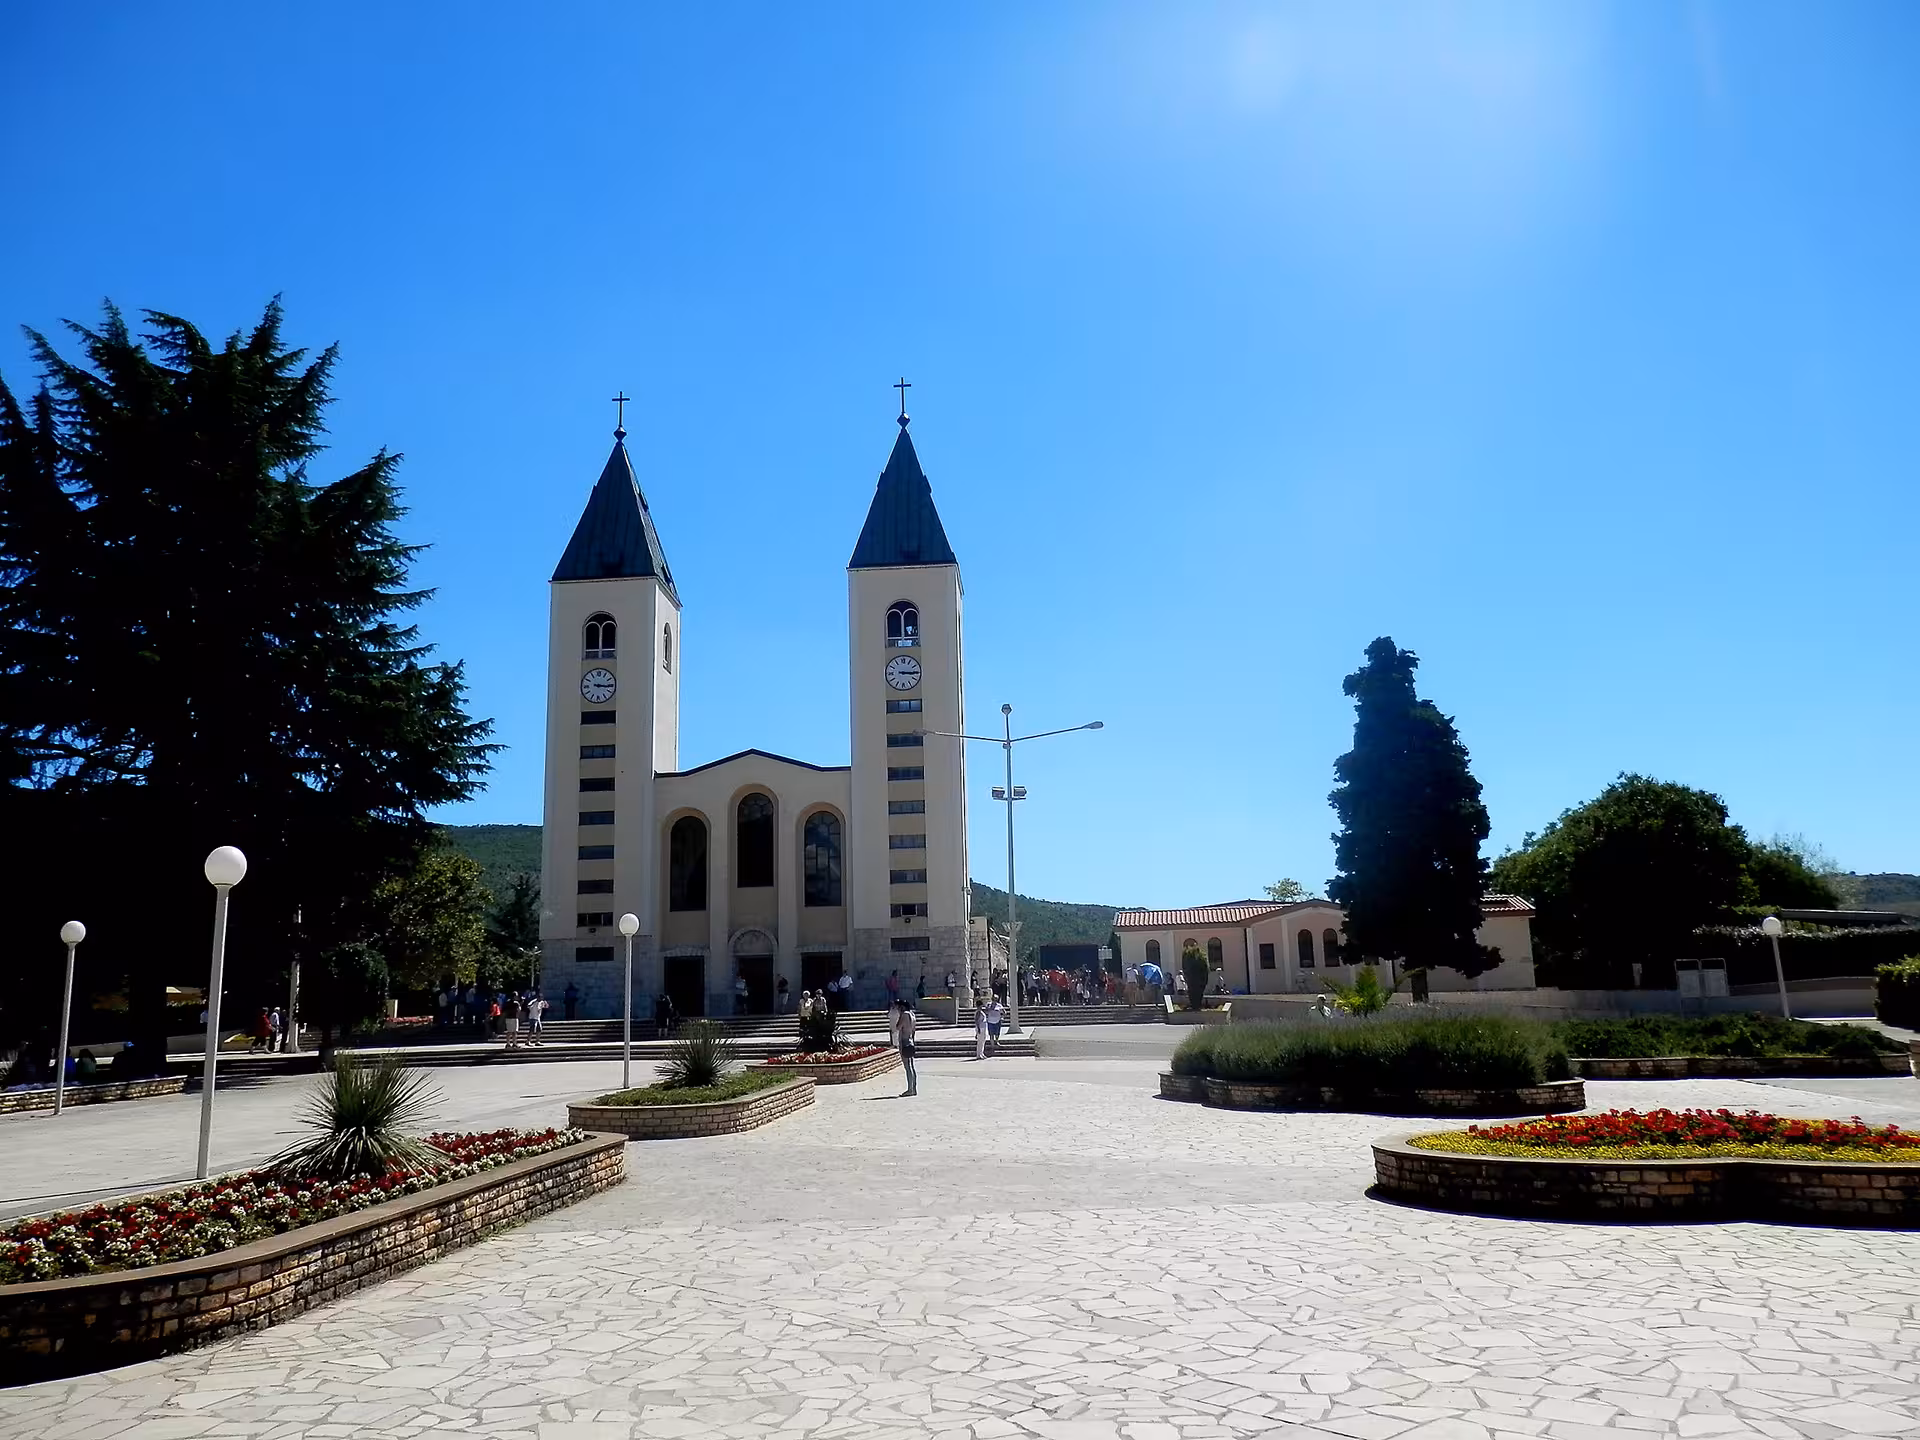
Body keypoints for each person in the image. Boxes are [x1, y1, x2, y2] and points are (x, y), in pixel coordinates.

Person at [894, 998, 918, 1096]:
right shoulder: (912, 1015)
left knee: (908, 1067)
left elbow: (897, 1027)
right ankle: (914, 1088)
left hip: (905, 1041)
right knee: (912, 1066)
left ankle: (910, 1089)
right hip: (911, 1040)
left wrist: (899, 1016)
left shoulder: (904, 1015)